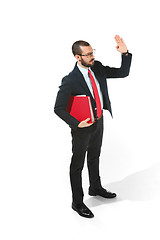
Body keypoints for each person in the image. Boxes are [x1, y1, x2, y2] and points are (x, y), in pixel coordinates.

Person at [54, 35, 132, 218]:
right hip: (81, 127)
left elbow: (123, 73)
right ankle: (77, 202)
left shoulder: (97, 68)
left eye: (92, 52)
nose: (92, 57)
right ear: (77, 57)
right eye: (88, 54)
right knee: (77, 164)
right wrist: (76, 123)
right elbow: (58, 108)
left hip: (98, 121)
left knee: (95, 156)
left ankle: (95, 187)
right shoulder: (70, 80)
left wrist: (125, 54)